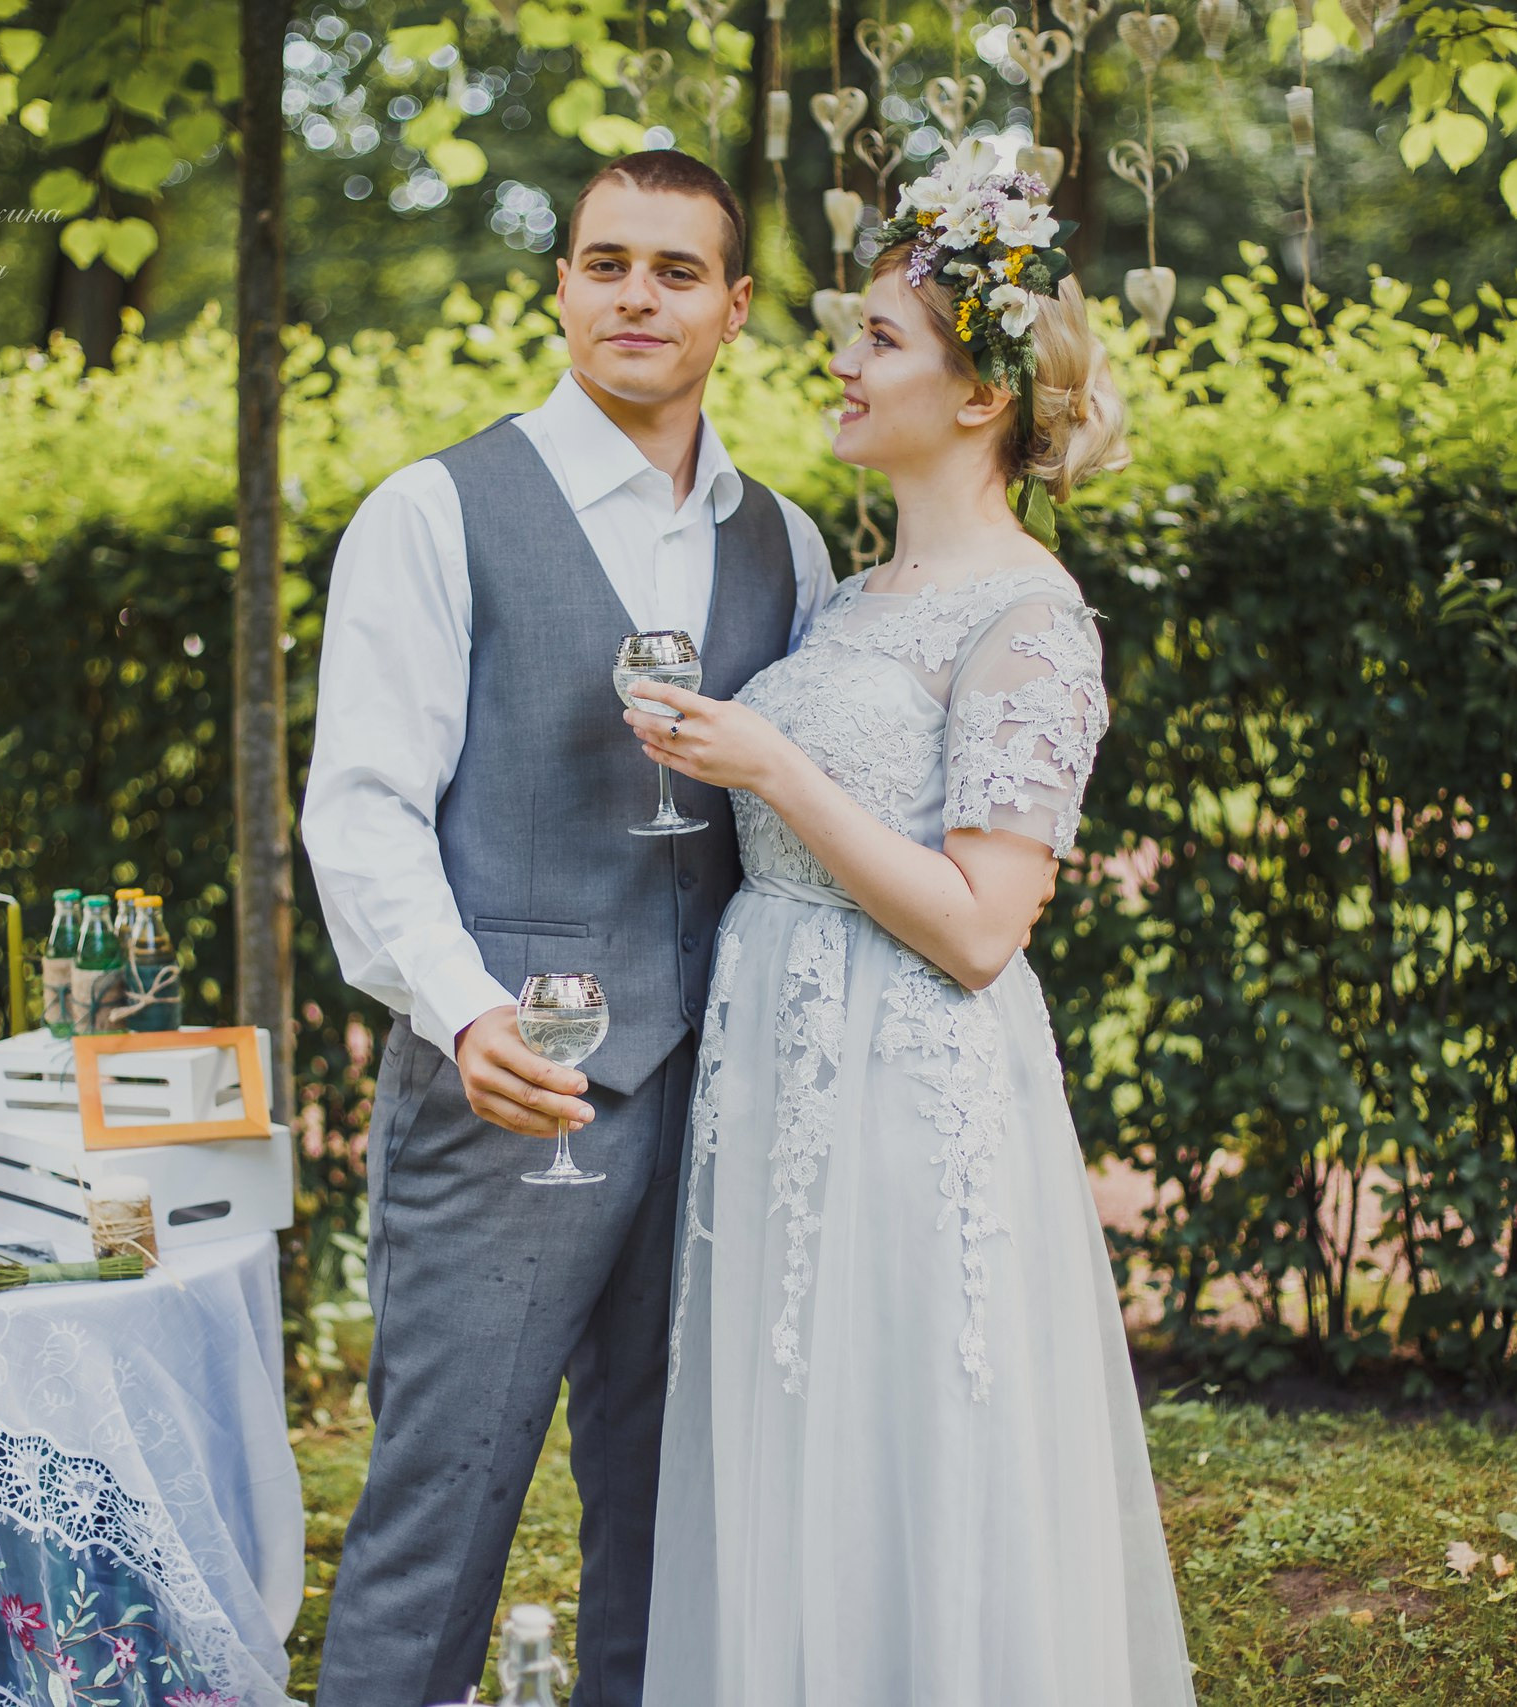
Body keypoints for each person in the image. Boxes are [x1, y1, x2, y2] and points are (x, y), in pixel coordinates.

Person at [624, 142, 1201, 1705]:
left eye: (881, 339)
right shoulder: (840, 595)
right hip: (780, 1064)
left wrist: (775, 766)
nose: (843, 359)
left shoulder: (1032, 618)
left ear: (980, 395)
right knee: (792, 1428)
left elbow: (980, 926)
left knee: (910, 1436)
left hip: (913, 1080)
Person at [299, 150, 838, 1707]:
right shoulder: (434, 513)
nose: (636, 296)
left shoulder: (787, 545)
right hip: (508, 1088)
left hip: (716, 1099)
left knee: (675, 1518)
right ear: (559, 289)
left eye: (677, 272)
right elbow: (365, 809)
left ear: (734, 309)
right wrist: (465, 1013)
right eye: (606, 263)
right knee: (443, 1508)